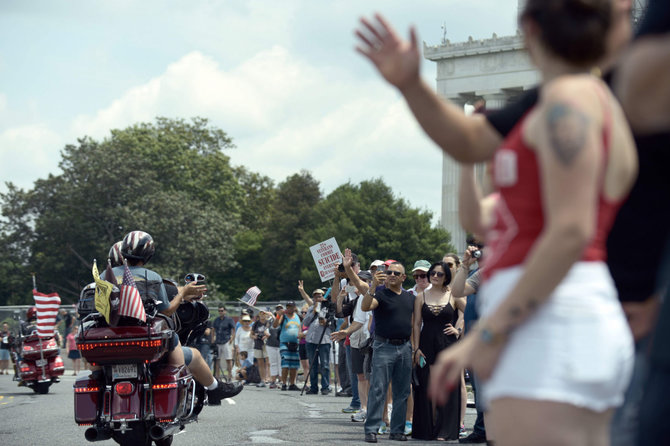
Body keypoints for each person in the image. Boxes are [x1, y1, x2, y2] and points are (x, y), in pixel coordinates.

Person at [102, 231, 242, 405]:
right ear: (149, 253)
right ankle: (212, 389)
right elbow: (167, 310)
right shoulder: (151, 277)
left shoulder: (104, 276)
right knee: (186, 348)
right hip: (145, 342)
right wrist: (182, 292)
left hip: (109, 345)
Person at [360, 262, 414, 443]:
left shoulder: (410, 297)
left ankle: (397, 430)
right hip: (384, 346)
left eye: (396, 273)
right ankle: (371, 429)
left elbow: (414, 324)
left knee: (402, 391)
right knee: (378, 389)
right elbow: (365, 307)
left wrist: (414, 348)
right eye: (389, 272)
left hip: (405, 347)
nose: (391, 275)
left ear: (403, 277)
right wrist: (373, 286)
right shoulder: (380, 294)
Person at [412, 261, 465, 441]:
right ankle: (426, 430)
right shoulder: (421, 296)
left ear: (446, 277)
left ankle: (445, 430)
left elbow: (468, 312)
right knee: (426, 385)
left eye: (439, 274)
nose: (435, 276)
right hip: (426, 344)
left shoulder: (454, 295)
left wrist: (458, 330)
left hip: (447, 344)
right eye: (432, 273)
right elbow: (417, 323)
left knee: (447, 385)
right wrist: (416, 348)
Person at [301, 288, 333, 395]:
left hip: (324, 340)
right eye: (315, 296)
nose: (317, 298)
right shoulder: (311, 308)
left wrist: (326, 322)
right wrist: (313, 311)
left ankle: (325, 386)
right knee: (312, 364)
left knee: (324, 364)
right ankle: (314, 387)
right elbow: (305, 323)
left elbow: (334, 323)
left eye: (319, 296)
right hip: (311, 340)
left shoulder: (329, 308)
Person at [273, 301, 302, 391]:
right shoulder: (283, 316)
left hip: (295, 343)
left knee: (294, 365)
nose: (289, 308)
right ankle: (284, 383)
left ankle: (292, 384)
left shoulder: (297, 316)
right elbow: (275, 325)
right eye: (288, 307)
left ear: (294, 307)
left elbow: (301, 327)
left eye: (291, 307)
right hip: (285, 342)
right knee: (285, 364)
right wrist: (278, 316)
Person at [212, 306, 235, 382]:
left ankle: (229, 376)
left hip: (226, 341)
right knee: (217, 359)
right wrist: (213, 339)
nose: (220, 312)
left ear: (225, 311)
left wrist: (232, 338)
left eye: (222, 311)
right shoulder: (216, 320)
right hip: (218, 341)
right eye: (219, 311)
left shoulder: (229, 320)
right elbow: (213, 329)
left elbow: (233, 329)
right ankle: (217, 377)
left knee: (228, 359)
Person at [251, 310, 272, 387]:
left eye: (264, 314)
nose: (262, 315)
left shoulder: (268, 323)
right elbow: (251, 334)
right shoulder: (256, 324)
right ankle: (262, 379)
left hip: (266, 343)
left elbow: (271, 332)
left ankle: (268, 378)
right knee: (260, 362)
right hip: (258, 344)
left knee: (268, 361)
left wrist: (266, 336)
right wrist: (255, 336)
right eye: (261, 314)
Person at [266, 304, 284, 389]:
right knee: (273, 363)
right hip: (271, 344)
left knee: (281, 363)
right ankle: (273, 381)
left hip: (280, 344)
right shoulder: (270, 320)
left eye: (280, 309)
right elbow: (266, 328)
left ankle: (281, 381)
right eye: (277, 309)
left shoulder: (284, 319)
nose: (279, 310)